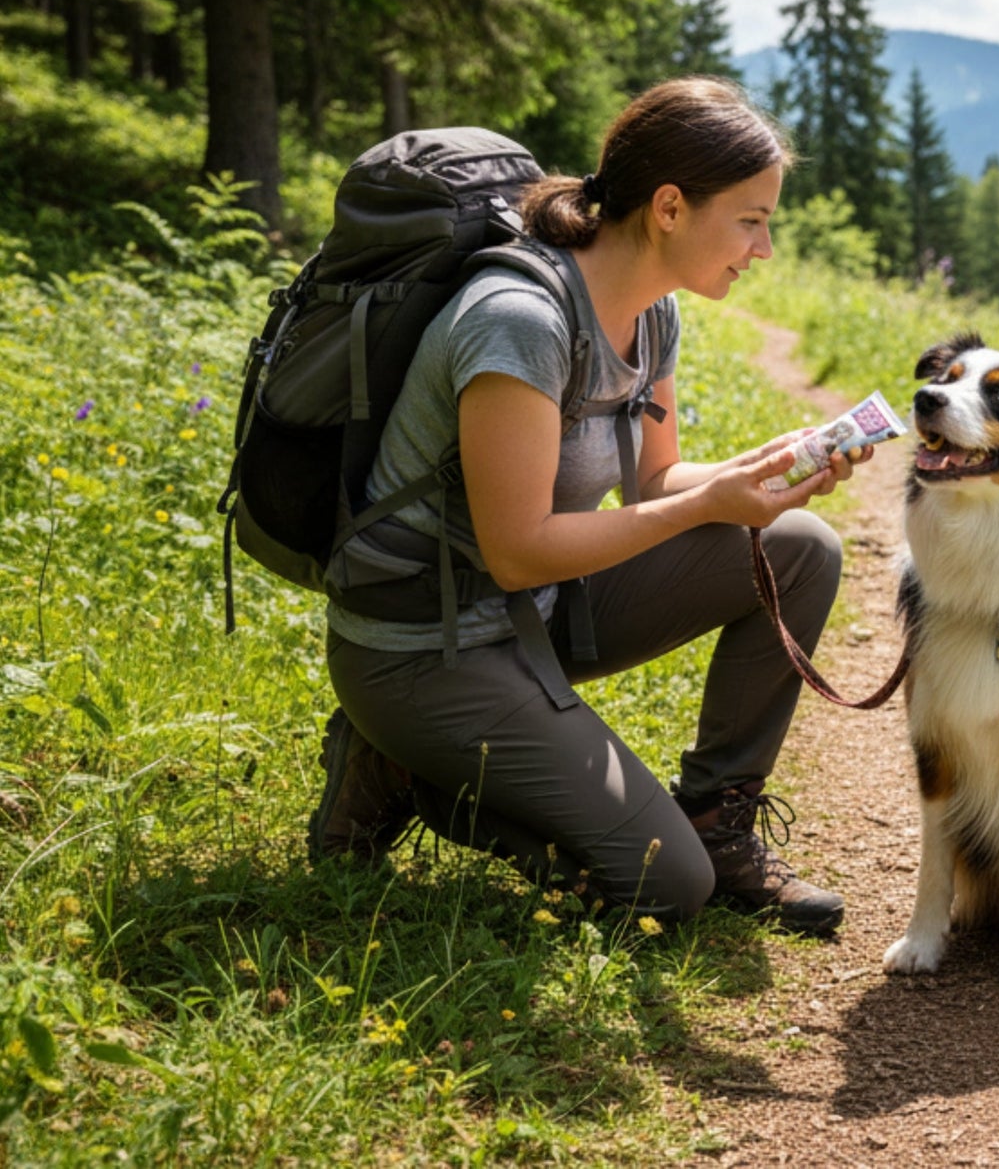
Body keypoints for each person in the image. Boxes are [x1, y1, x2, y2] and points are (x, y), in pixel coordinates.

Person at [306, 77, 870, 934]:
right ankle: (402, 769)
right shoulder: (518, 321)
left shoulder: (653, 316)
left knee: (798, 544)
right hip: (424, 647)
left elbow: (656, 483)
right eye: (751, 220)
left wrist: (757, 478)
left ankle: (717, 822)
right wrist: (708, 505)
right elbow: (520, 549)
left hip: (526, 619)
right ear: (671, 207)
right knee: (664, 888)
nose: (762, 249)